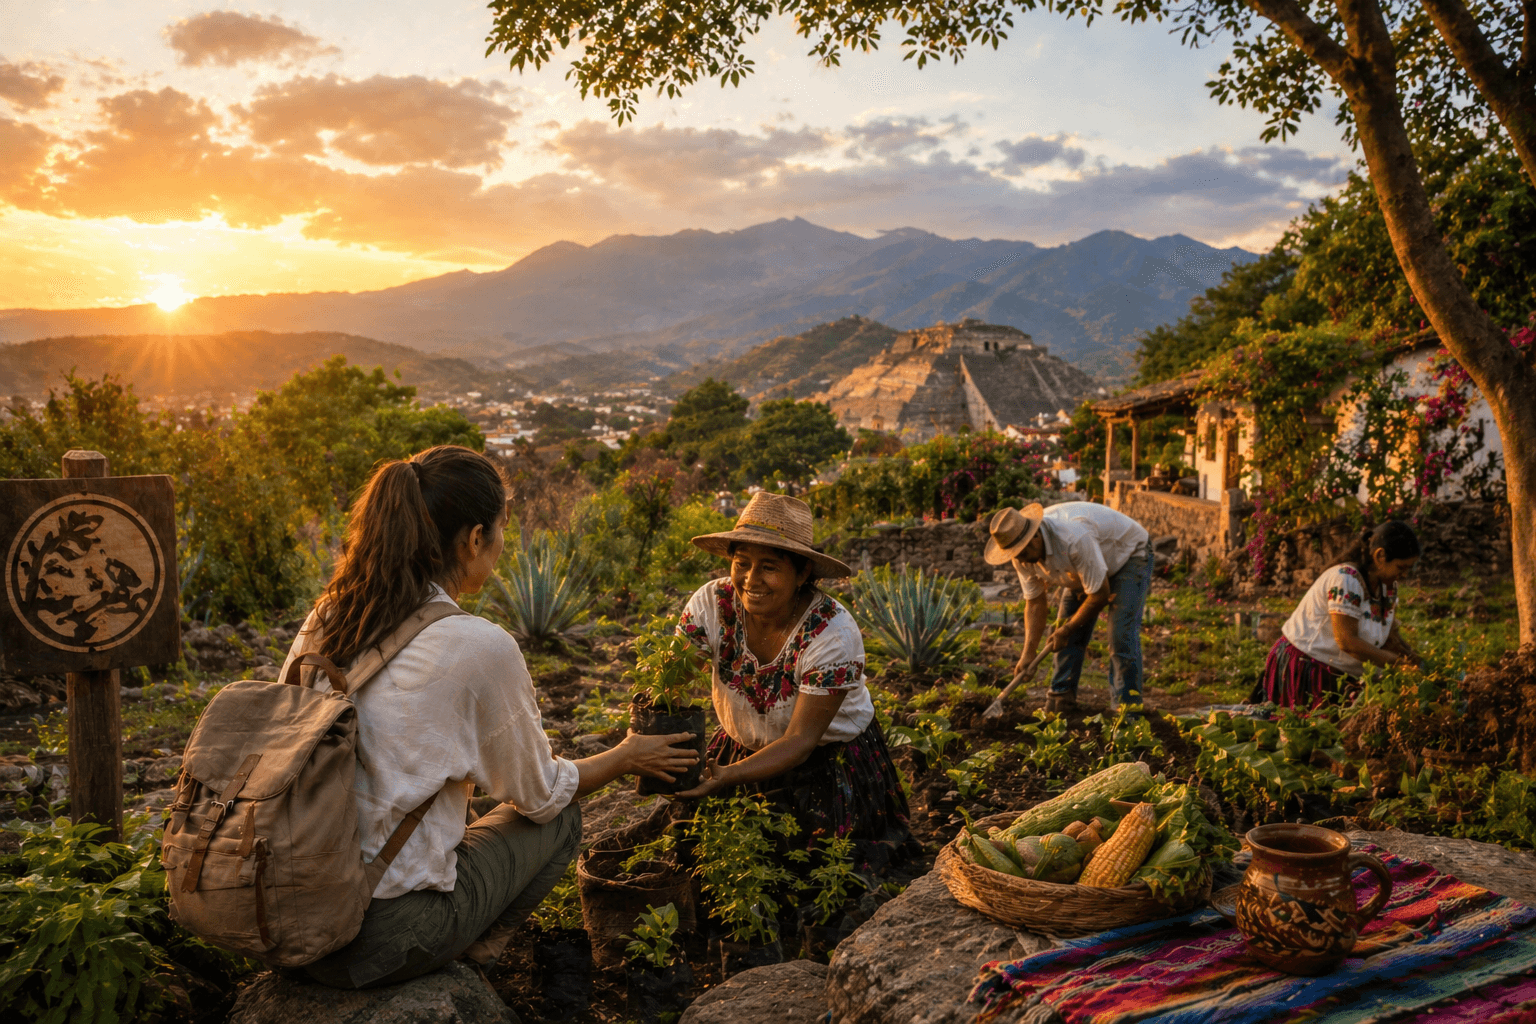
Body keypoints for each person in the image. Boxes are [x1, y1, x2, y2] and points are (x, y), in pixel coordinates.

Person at [279, 445, 697, 989]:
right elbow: (541, 794)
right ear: (474, 538)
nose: (501, 546)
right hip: (377, 935)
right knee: (562, 818)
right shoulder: (476, 646)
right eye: (501, 529)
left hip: (290, 919)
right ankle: (471, 958)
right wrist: (624, 757)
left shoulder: (330, 614)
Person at [672, 491, 914, 873]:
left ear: (803, 574)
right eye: (742, 563)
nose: (752, 580)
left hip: (827, 767)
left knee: (812, 872)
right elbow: (672, 682)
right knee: (701, 858)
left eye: (769, 566)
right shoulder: (712, 605)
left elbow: (800, 742)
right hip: (739, 748)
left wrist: (727, 777)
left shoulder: (831, 633)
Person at [985, 501, 1152, 714]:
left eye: (1023, 553)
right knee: (1064, 632)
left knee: (1120, 634)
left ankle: (1127, 710)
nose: (1021, 560)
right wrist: (1028, 653)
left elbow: (1099, 595)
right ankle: (1061, 701)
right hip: (1082, 568)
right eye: (1016, 555)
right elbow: (1035, 602)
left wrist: (1067, 629)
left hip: (1128, 554)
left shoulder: (1073, 538)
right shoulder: (1021, 556)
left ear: (1034, 537)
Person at [1261, 520, 1422, 708]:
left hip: (1339, 672)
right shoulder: (1346, 579)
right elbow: (1347, 642)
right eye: (1401, 568)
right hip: (1307, 668)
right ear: (1380, 556)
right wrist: (1397, 664)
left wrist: (1416, 662)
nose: (1404, 575)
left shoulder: (1388, 587)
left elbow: (1389, 637)